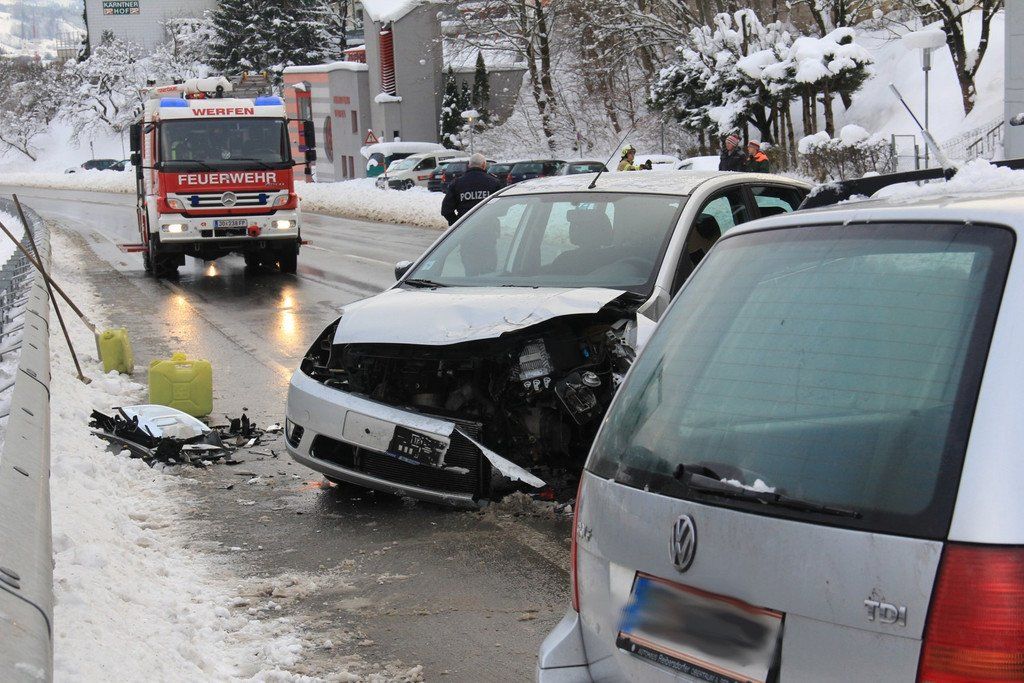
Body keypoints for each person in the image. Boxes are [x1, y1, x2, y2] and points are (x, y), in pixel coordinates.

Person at [441, 153, 502, 225]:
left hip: (465, 227)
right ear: (484, 165)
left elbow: (446, 210)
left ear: (469, 165)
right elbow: (501, 208)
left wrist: (457, 223)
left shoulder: (457, 183)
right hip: (489, 226)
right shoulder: (494, 182)